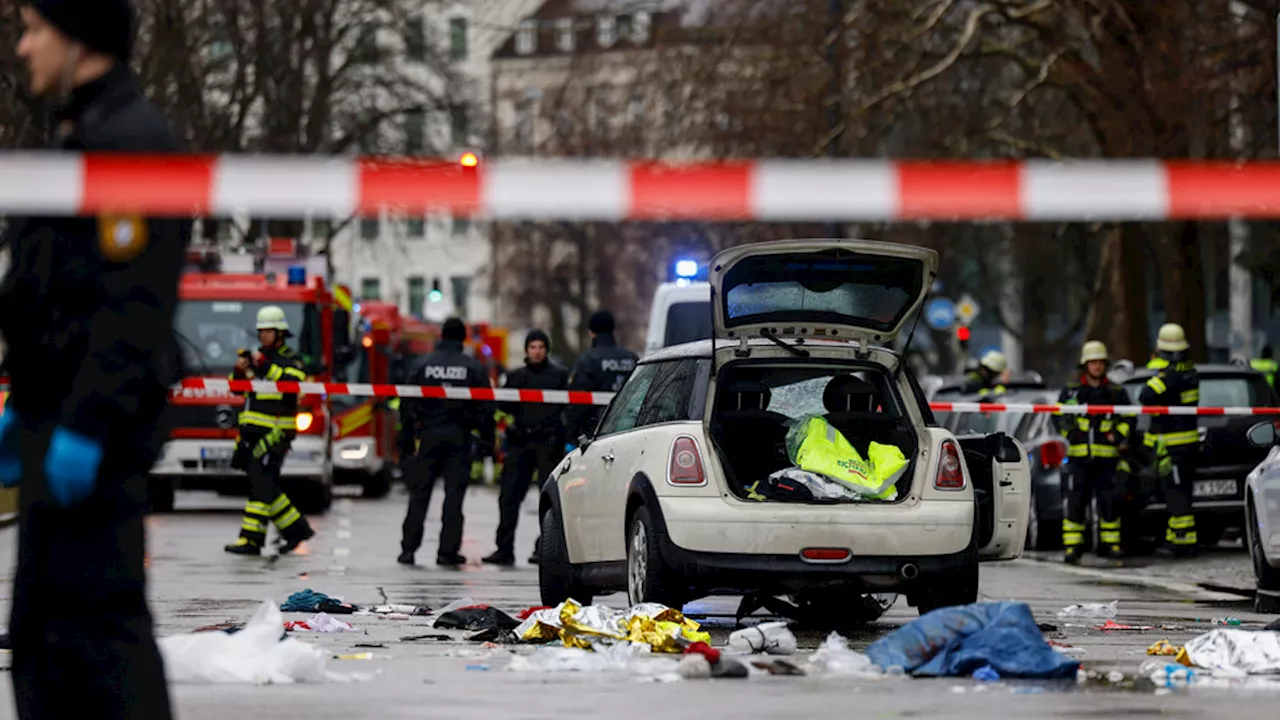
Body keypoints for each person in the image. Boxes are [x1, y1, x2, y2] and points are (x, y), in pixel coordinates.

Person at [0, 1, 185, 716]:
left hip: (95, 443)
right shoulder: (76, 140)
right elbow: (48, 296)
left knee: (105, 646)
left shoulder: (129, 143)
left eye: (34, 29)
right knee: (45, 647)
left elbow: (130, 312)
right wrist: (28, 410)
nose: (21, 48)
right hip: (58, 425)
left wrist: (83, 422)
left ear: (79, 36)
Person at [398, 318, 493, 567]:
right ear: (462, 338)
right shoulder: (472, 367)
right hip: (459, 437)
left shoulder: (422, 364)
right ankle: (446, 552)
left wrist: (407, 436)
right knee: (453, 497)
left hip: (428, 436)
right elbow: (485, 407)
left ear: (441, 336)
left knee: (419, 494)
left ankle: (408, 549)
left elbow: (407, 402)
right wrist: (487, 439)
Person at [224, 306, 316, 556]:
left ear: (280, 333)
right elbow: (237, 389)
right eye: (261, 331)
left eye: (269, 331)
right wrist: (240, 369)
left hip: (276, 433)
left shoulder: (292, 359)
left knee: (260, 485)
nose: (263, 335)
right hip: (251, 432)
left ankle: (251, 539)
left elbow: (291, 384)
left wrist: (264, 365)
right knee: (265, 484)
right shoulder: (258, 357)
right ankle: (297, 530)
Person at [483, 329, 570, 566]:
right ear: (526, 350)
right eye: (533, 347)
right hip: (521, 442)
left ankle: (546, 548)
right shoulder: (516, 376)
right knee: (509, 497)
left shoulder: (559, 376)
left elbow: (569, 409)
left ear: (546, 349)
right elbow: (503, 406)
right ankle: (504, 548)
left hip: (548, 443)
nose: (537, 351)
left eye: (541, 347)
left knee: (549, 499)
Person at [1055, 341, 1132, 563]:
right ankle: (1072, 547)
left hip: (1107, 459)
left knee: (1108, 502)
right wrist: (1069, 433)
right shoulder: (1071, 391)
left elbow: (1129, 417)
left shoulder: (1116, 392)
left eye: (1100, 362)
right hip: (1079, 459)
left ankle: (1112, 544)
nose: (1097, 367)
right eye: (1093, 362)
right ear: (1085, 365)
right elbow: (1057, 416)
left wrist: (1117, 436)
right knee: (1076, 503)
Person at [1138, 323, 1201, 556]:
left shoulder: (1172, 377)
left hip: (1175, 446)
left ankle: (1184, 542)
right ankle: (1176, 538)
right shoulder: (1190, 373)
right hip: (1186, 445)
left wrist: (1159, 374)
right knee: (1178, 492)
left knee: (1177, 495)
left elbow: (1145, 395)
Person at [565, 310, 640, 442]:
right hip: (630, 428)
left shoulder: (587, 361)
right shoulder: (632, 358)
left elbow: (577, 403)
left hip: (596, 432)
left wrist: (571, 437)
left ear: (591, 333)